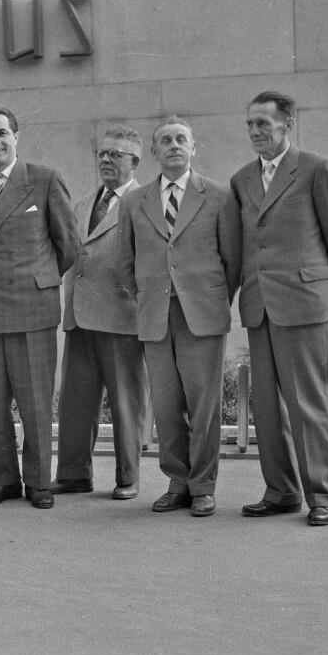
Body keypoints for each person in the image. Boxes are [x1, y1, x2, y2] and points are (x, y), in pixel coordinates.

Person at [231, 91, 328, 527]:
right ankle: (281, 491)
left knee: (309, 404)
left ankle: (321, 495)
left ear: (288, 124)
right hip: (259, 306)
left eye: (263, 124)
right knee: (267, 407)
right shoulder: (241, 179)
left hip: (304, 305)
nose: (254, 132)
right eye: (250, 124)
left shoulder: (316, 170)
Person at [0, 107, 78, 509]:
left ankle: (38, 481)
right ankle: (4, 479)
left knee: (35, 402)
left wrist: (37, 280)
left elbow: (69, 246)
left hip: (32, 310)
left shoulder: (44, 179)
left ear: (16, 136)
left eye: (2, 133)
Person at [120, 115, 241, 518]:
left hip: (201, 316)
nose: (174, 146)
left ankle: (203, 486)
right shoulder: (135, 202)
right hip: (155, 315)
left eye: (180, 140)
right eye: (166, 141)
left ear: (193, 148)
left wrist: (212, 300)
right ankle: (178, 482)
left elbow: (232, 261)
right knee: (167, 404)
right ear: (154, 152)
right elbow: (125, 261)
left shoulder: (219, 196)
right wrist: (147, 298)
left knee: (204, 404)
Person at [51, 126, 148, 501]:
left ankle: (128, 476)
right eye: (102, 154)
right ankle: (74, 473)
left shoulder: (144, 203)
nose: (106, 160)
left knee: (126, 402)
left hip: (122, 316)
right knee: (75, 400)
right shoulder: (82, 204)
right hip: (79, 317)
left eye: (116, 155)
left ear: (134, 162)